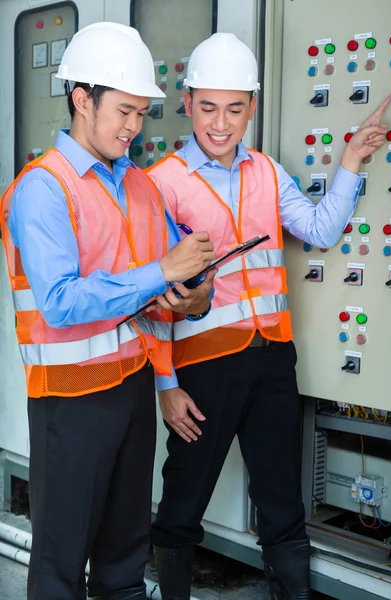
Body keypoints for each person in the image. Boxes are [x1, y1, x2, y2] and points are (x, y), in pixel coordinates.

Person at [146, 32, 391, 600]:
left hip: (273, 360)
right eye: (208, 107)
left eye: (235, 108)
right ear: (187, 104)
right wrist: (165, 384)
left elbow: (321, 230)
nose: (221, 123)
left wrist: (352, 159)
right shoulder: (162, 185)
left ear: (252, 107)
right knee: (184, 495)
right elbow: (155, 301)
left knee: (281, 495)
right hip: (203, 368)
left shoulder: (267, 172)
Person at [0, 22, 215, 600]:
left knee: (124, 560)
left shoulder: (140, 187)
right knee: (59, 567)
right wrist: (163, 272)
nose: (134, 128)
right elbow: (62, 302)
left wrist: (196, 293)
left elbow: (171, 281)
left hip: (132, 389)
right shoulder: (42, 189)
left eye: (142, 113)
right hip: (68, 402)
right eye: (124, 111)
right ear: (82, 100)